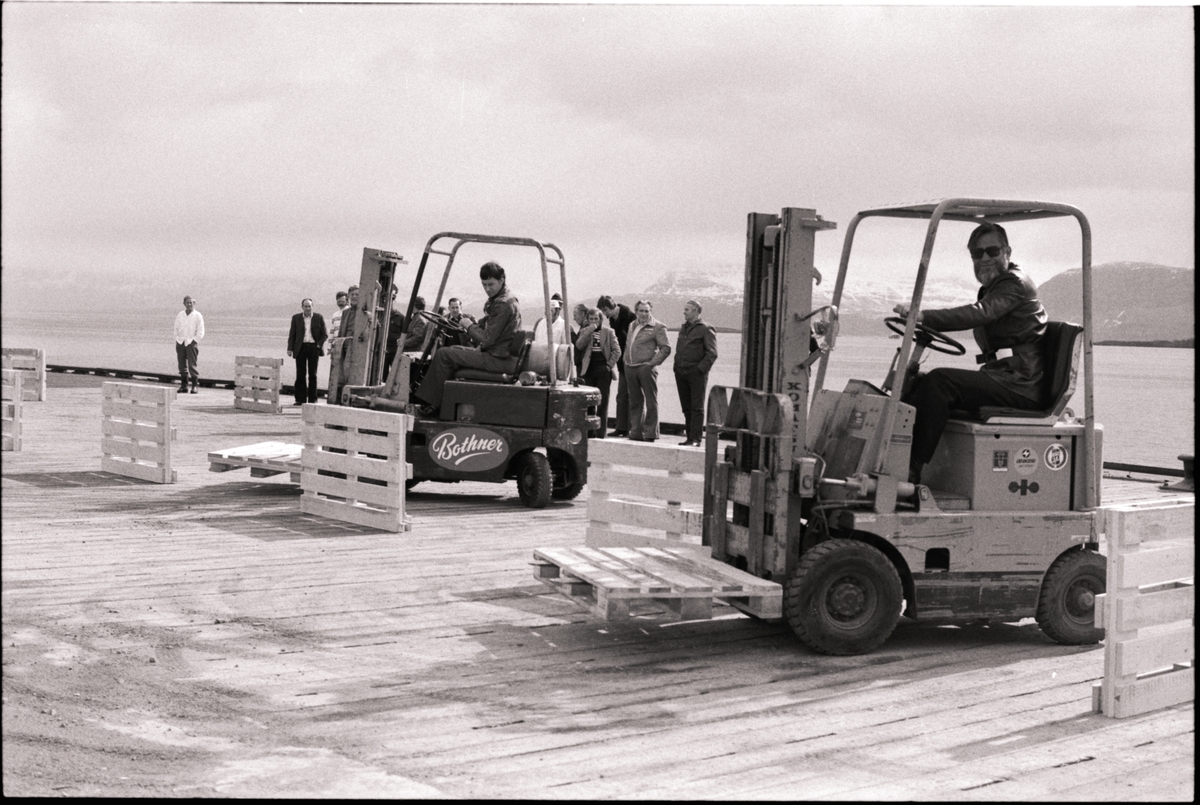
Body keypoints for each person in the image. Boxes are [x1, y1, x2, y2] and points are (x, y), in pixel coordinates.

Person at [894, 222, 1048, 484]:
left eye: (992, 251)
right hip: (1006, 376)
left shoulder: (1014, 283)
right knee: (918, 384)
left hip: (1022, 382)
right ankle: (896, 458)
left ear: (1007, 251)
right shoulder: (994, 286)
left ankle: (911, 470)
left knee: (941, 382)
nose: (985, 258)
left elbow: (980, 313)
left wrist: (923, 316)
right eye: (978, 254)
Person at [413, 261, 521, 416]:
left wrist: (468, 325)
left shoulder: (502, 304)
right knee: (454, 350)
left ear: (502, 280)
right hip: (499, 355)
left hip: (499, 359)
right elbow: (492, 332)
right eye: (484, 285)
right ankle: (444, 403)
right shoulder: (504, 299)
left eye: (491, 284)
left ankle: (430, 404)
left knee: (444, 355)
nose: (487, 289)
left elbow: (487, 339)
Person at [622, 300, 671, 442]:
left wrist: (652, 363)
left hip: (646, 368)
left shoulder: (658, 327)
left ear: (651, 312)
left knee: (651, 400)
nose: (644, 314)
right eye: (641, 311)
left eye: (647, 311)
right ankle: (636, 431)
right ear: (636, 312)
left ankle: (650, 433)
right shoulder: (632, 325)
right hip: (630, 367)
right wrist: (625, 360)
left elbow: (666, 348)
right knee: (635, 402)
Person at [673, 300, 718, 446]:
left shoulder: (706, 328)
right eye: (684, 309)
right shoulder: (683, 328)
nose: (684, 312)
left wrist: (700, 370)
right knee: (686, 406)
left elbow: (712, 353)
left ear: (696, 311)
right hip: (681, 372)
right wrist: (676, 366)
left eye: (687, 310)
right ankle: (689, 437)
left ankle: (696, 438)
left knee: (697, 407)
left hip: (696, 373)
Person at [576, 307, 622, 438]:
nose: (594, 321)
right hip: (588, 369)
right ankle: (589, 431)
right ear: (588, 320)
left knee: (603, 401)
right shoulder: (585, 331)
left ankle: (601, 432)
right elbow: (579, 346)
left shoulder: (609, 332)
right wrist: (590, 330)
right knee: (589, 401)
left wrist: (609, 365)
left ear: (601, 319)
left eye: (596, 318)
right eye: (591, 319)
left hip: (603, 368)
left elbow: (617, 351)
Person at [597, 295, 637, 436]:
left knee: (632, 395)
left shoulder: (630, 317)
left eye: (605, 311)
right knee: (621, 396)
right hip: (622, 363)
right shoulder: (614, 319)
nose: (605, 314)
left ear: (609, 307)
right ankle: (621, 427)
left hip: (632, 362)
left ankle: (632, 428)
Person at [287, 298, 328, 405]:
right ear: (302, 307)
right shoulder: (296, 318)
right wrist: (290, 348)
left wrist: (318, 345)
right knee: (300, 374)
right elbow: (292, 334)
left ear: (312, 306)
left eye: (309, 306)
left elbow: (325, 334)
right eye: (305, 306)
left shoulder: (319, 317)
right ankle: (300, 399)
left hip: (313, 347)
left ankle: (312, 399)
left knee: (312, 374)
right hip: (300, 347)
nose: (307, 308)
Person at [173, 295, 205, 394]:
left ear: (194, 304)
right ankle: (184, 386)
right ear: (184, 304)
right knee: (182, 365)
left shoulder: (198, 315)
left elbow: (201, 331)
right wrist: (177, 339)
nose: (190, 304)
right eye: (188, 303)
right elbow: (176, 328)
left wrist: (194, 341)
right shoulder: (180, 315)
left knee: (192, 365)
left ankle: (195, 386)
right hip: (181, 342)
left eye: (191, 303)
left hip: (191, 342)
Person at [571, 303, 590, 376]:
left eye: (575, 315)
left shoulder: (586, 328)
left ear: (582, 314)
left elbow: (579, 345)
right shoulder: (584, 327)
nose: (574, 318)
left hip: (583, 365)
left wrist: (572, 333)